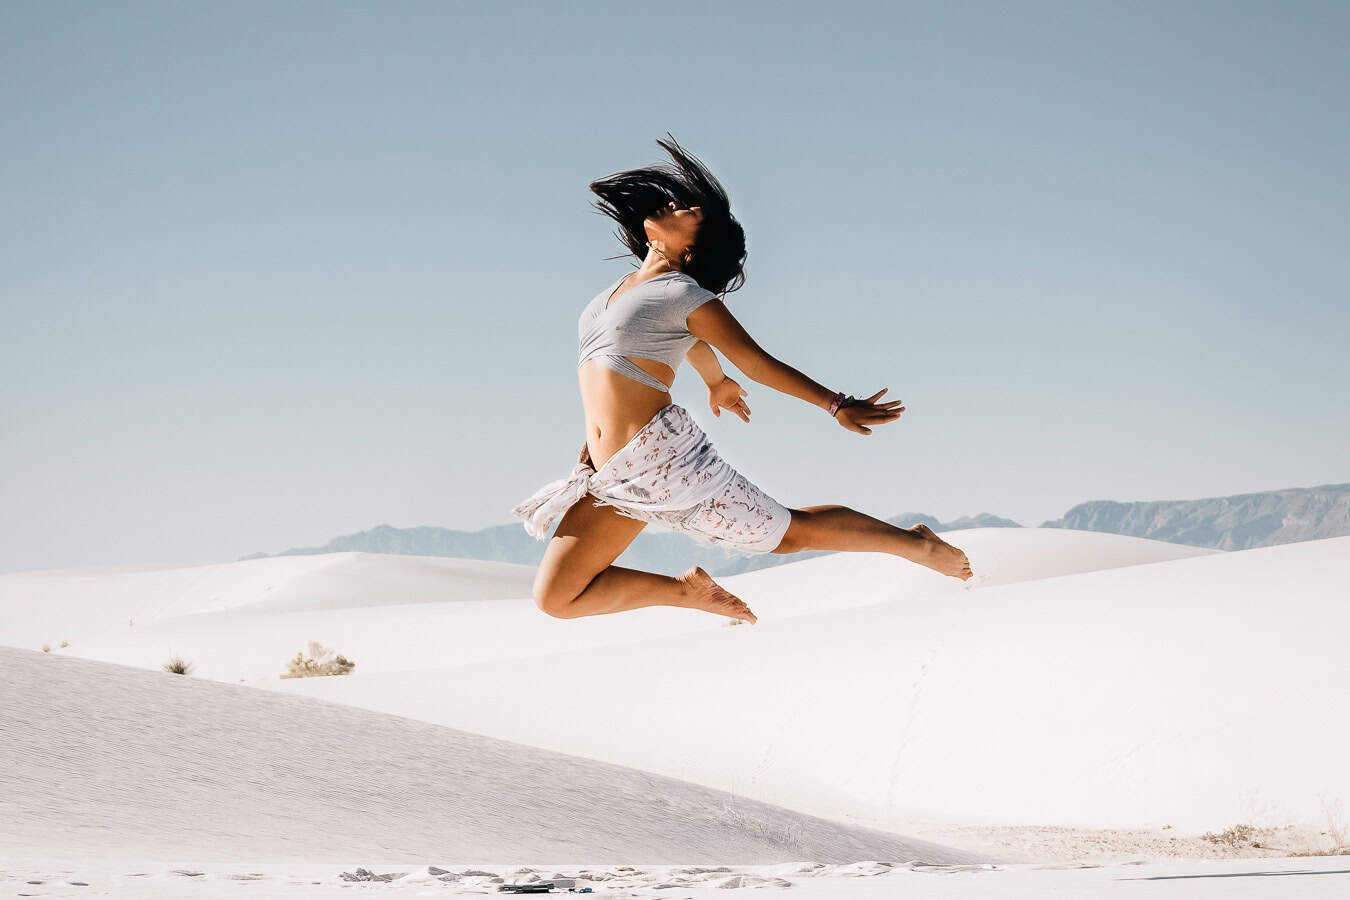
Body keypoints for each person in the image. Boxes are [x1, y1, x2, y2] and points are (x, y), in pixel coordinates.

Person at [512, 133, 973, 625]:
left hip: (664, 466)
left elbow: (756, 362)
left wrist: (835, 404)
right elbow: (678, 343)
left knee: (790, 534)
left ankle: (915, 545)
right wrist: (714, 382)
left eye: (694, 216)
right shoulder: (624, 291)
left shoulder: (686, 294)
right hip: (615, 477)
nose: (681, 208)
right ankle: (690, 593)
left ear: (691, 249)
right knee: (557, 598)